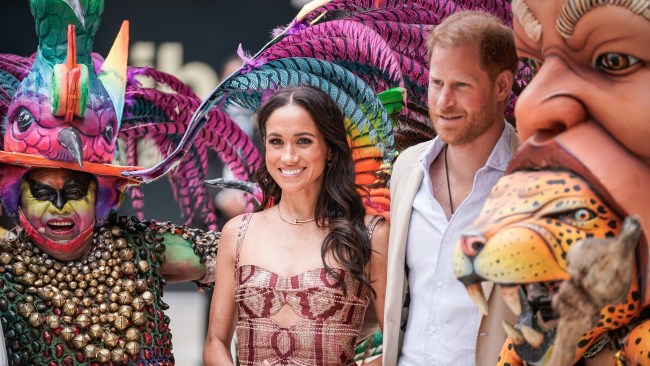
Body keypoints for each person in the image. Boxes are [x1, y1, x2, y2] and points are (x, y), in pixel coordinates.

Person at [203, 85, 388, 366]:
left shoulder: (371, 234)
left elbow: (400, 344)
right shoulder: (238, 232)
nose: (288, 157)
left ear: (329, 149)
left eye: (303, 141)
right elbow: (215, 341)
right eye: (276, 142)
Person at [382, 11, 520, 365]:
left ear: (502, 86)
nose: (443, 102)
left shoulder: (532, 176)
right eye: (436, 83)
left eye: (461, 85)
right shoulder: (407, 168)